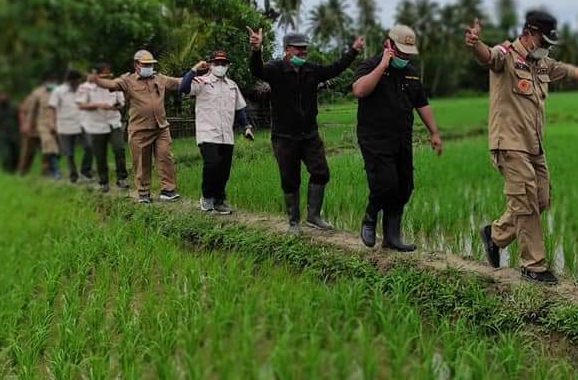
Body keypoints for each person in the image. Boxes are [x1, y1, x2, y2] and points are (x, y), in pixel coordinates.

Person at [467, 10, 578, 284]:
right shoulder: (506, 55)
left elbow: (572, 71)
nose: (545, 48)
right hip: (509, 143)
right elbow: (488, 57)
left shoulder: (542, 65)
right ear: (528, 32)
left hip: (533, 145)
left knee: (540, 198)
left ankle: (495, 235)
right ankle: (533, 265)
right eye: (543, 41)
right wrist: (476, 45)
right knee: (526, 199)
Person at [249, 28, 364, 231]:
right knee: (290, 178)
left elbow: (335, 68)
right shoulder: (276, 69)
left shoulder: (312, 70)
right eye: (298, 49)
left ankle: (313, 216)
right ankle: (293, 221)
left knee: (321, 172)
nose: (303, 52)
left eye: (305, 49)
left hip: (309, 134)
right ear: (286, 49)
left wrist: (353, 51)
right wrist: (257, 50)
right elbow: (257, 71)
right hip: (284, 136)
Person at [352, 24, 442, 251]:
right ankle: (370, 217)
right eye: (400, 52)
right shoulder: (370, 65)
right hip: (374, 138)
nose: (403, 57)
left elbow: (422, 103)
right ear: (388, 45)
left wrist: (434, 132)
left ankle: (391, 238)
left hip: (402, 138)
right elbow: (359, 91)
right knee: (386, 183)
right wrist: (383, 65)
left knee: (404, 186)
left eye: (407, 53)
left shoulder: (411, 72)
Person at [89, 50, 182, 204]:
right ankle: (144, 192)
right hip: (140, 129)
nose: (148, 67)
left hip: (161, 127)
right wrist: (96, 80)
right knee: (141, 162)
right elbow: (111, 84)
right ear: (136, 65)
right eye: (145, 64)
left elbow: (178, 82)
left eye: (150, 65)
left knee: (165, 157)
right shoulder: (128, 80)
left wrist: (195, 74)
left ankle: (168, 190)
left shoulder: (160, 78)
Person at [180, 50, 254, 215]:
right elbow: (183, 88)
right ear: (210, 64)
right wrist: (194, 69)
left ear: (227, 66)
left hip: (226, 135)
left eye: (223, 63)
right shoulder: (202, 82)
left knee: (224, 169)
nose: (220, 66)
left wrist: (247, 127)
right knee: (212, 163)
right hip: (207, 133)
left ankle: (219, 200)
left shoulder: (232, 85)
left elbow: (239, 109)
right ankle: (207, 197)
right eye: (217, 63)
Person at [77, 63, 129, 192]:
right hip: (96, 125)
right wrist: (99, 105)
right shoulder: (86, 87)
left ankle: (121, 178)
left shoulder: (115, 85)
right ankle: (104, 181)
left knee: (119, 149)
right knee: (100, 155)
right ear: (96, 75)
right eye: (103, 75)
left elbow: (121, 103)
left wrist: (116, 106)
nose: (106, 77)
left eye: (108, 75)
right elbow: (81, 105)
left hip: (113, 122)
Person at [49, 69, 94, 183]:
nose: (78, 83)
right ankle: (73, 175)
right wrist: (52, 123)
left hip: (82, 123)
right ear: (70, 81)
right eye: (76, 81)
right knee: (69, 153)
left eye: (79, 81)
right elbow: (52, 108)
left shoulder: (82, 89)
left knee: (89, 146)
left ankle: (85, 171)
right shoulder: (58, 91)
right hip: (65, 125)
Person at [18, 71, 59, 178]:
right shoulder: (36, 93)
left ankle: (46, 171)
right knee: (28, 153)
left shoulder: (58, 91)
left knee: (49, 149)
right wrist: (25, 125)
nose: (52, 83)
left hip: (49, 127)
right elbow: (24, 110)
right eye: (50, 81)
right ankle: (22, 172)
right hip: (33, 129)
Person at [0, 92, 20, 173]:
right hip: (1, 136)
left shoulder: (13, 107)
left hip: (14, 134)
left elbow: (19, 120)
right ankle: (6, 172)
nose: (3, 97)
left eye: (4, 95)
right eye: (1, 96)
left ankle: (13, 171)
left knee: (16, 154)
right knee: (6, 155)